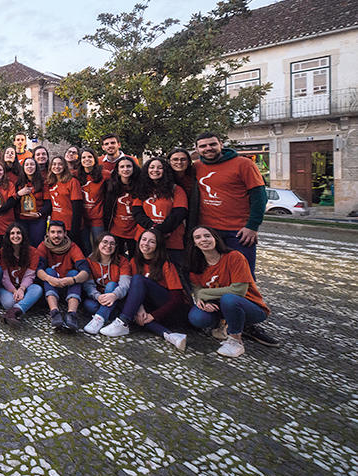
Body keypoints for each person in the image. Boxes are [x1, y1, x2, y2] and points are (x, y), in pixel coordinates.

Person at [187, 226, 274, 357]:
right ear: (194, 243)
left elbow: (238, 290)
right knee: (197, 318)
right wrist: (203, 300)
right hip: (219, 304)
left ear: (215, 238)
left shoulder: (234, 257)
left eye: (207, 236)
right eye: (197, 237)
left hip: (249, 306)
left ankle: (235, 341)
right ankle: (223, 323)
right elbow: (197, 288)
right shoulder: (197, 264)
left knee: (229, 299)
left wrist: (203, 294)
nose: (203, 239)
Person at [98, 230, 188, 352]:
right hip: (147, 307)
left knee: (138, 279)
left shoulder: (166, 264)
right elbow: (134, 291)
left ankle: (123, 321)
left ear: (158, 245)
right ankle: (170, 335)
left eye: (152, 242)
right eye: (144, 239)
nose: (146, 243)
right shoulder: (134, 261)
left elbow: (177, 299)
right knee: (126, 303)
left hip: (167, 309)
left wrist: (153, 315)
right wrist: (139, 309)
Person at [192, 132, 266, 275]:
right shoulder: (196, 167)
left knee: (242, 275)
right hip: (208, 231)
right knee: (213, 274)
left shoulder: (244, 164)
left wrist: (252, 226)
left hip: (238, 232)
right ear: (197, 149)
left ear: (221, 144)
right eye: (203, 146)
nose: (208, 148)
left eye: (212, 144)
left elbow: (259, 197)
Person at [133, 157, 188, 268]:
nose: (155, 170)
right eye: (152, 167)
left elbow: (179, 213)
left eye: (159, 167)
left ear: (165, 170)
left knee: (173, 272)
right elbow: (137, 212)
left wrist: (160, 230)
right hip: (145, 241)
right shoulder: (142, 189)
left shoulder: (176, 189)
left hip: (171, 241)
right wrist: (152, 229)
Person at [36, 220, 89, 332]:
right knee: (48, 271)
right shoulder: (43, 246)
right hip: (51, 286)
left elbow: (85, 272)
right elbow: (38, 270)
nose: (56, 235)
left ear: (65, 233)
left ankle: (72, 314)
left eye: (59, 232)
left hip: (68, 286)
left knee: (74, 273)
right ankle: (54, 312)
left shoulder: (72, 246)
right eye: (53, 232)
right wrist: (50, 279)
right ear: (48, 233)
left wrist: (72, 280)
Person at [82, 233, 132, 334]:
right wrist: (97, 296)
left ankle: (99, 319)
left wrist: (114, 295)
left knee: (111, 285)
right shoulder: (89, 261)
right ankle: (111, 313)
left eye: (112, 243)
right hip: (100, 298)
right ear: (98, 244)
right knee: (89, 305)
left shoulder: (122, 261)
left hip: (118, 296)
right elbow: (88, 285)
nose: (108, 246)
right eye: (105, 242)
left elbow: (125, 284)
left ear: (116, 246)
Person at [0, 222, 42, 326]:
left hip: (25, 287)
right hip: (7, 288)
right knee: (9, 303)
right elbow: (5, 278)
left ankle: (12, 313)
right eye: (12, 233)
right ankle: (20, 306)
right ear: (8, 237)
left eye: (18, 233)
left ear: (23, 235)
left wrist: (21, 289)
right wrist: (14, 291)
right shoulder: (2, 252)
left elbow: (30, 275)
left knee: (37, 289)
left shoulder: (33, 252)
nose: (16, 236)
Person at [103, 157, 141, 258]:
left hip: (134, 230)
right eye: (122, 167)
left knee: (135, 259)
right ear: (118, 170)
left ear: (134, 168)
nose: (125, 169)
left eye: (128, 166)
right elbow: (107, 209)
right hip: (116, 229)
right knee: (117, 258)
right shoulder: (111, 186)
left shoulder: (140, 186)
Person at [46, 156, 84, 245]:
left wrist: (75, 228)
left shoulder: (72, 181)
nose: (57, 166)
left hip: (69, 225)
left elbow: (77, 207)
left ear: (64, 166)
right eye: (54, 164)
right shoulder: (50, 182)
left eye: (60, 164)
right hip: (56, 225)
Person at [76, 148, 105, 250]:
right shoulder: (76, 175)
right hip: (82, 218)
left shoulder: (104, 174)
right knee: (86, 246)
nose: (86, 159)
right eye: (83, 157)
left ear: (95, 159)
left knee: (99, 245)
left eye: (90, 157)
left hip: (97, 218)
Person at [15, 157, 48, 247]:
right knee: (23, 245)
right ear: (23, 168)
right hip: (21, 219)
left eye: (32, 164)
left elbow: (48, 203)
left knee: (37, 245)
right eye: (27, 165)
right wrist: (19, 194)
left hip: (38, 220)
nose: (29, 166)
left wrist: (40, 214)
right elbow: (13, 202)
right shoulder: (18, 183)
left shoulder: (43, 183)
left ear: (36, 167)